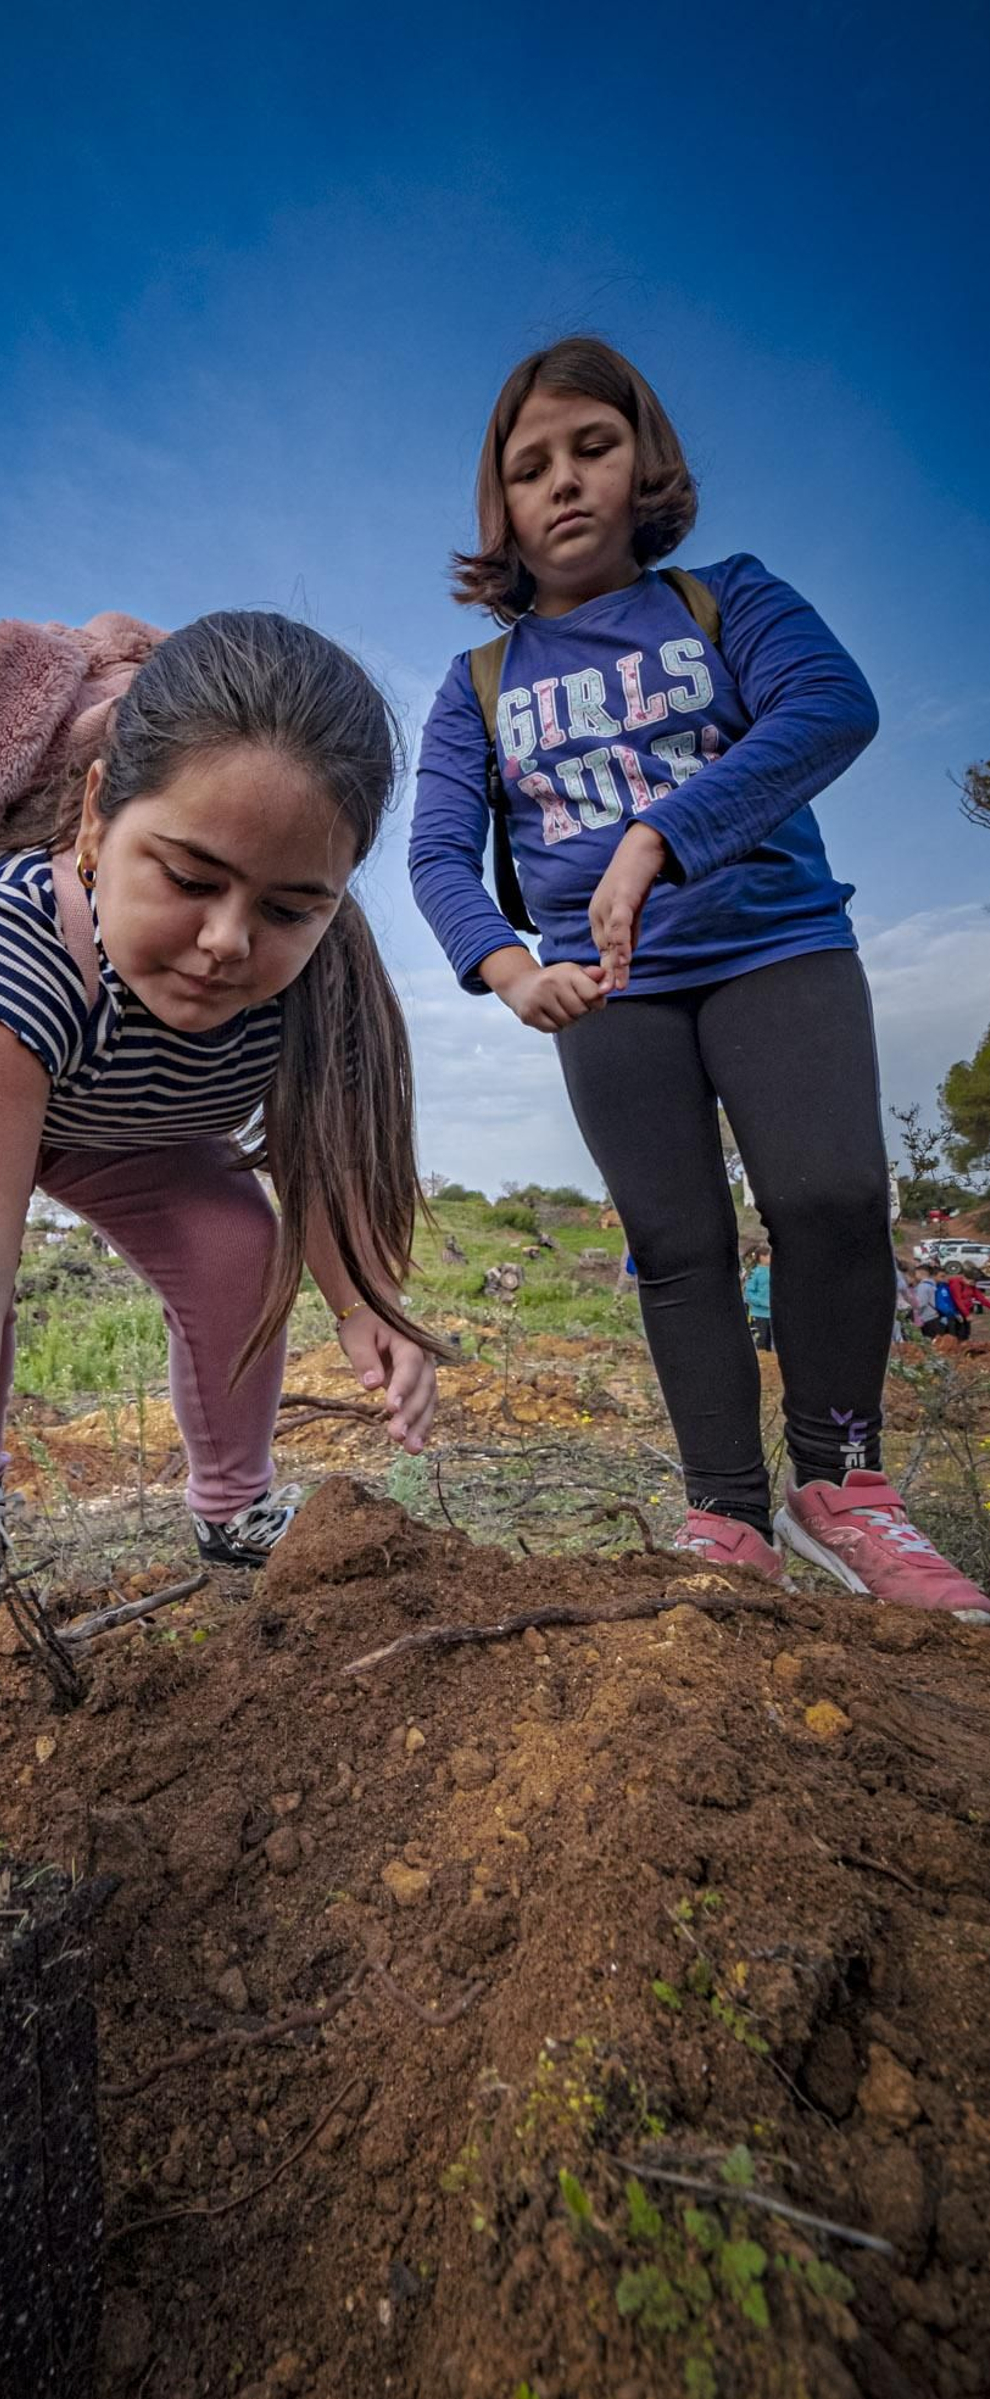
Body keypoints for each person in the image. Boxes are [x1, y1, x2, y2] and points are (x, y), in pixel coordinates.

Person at [0, 607, 447, 2098]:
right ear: (94, 812)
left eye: (285, 906)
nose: (224, 941)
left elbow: (316, 1161)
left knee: (233, 1254)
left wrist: (363, 1303)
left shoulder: (307, 973)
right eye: (186, 877)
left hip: (131, 1117)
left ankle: (232, 1498)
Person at [410, 334, 988, 1619]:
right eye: (528, 468)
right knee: (678, 1246)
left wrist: (658, 833)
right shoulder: (480, 684)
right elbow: (437, 852)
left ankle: (844, 1490)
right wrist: (508, 969)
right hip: (606, 995)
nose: (563, 484)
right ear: (497, 507)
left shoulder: (724, 599)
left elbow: (830, 706)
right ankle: (728, 1513)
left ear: (644, 462)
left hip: (776, 942)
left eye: (592, 448)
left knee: (832, 1197)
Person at [742, 1246, 773, 1352]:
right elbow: (748, 1293)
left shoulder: (774, 1271)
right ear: (762, 1257)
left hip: (772, 1314)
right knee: (761, 1340)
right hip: (759, 1314)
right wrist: (763, 1302)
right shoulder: (755, 1273)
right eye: (769, 1255)